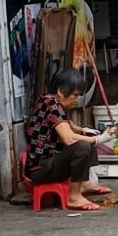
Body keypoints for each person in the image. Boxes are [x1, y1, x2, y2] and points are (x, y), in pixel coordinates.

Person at [24, 67, 101, 207]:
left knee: (86, 136)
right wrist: (98, 140)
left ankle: (84, 183)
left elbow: (68, 125)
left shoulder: (47, 100)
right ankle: (74, 197)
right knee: (82, 145)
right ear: (60, 91)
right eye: (75, 95)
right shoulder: (53, 106)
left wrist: (84, 131)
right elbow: (68, 138)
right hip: (41, 170)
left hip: (46, 164)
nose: (76, 100)